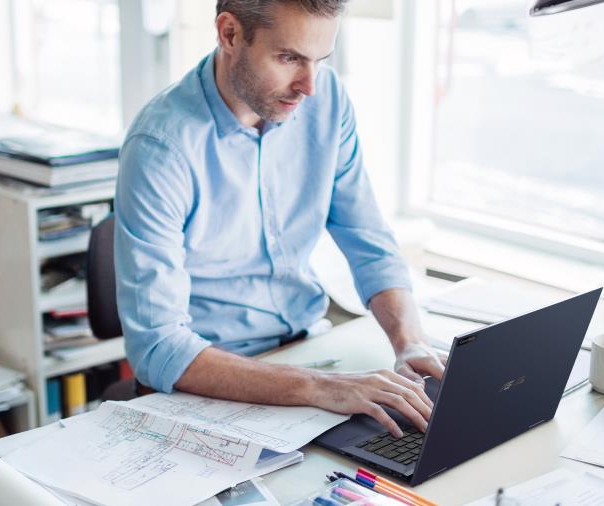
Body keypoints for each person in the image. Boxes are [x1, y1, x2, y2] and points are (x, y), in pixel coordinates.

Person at [115, 0, 446, 438]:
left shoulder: (326, 101)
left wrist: (409, 343)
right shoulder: (161, 146)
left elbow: (369, 242)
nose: (308, 86)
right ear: (230, 34)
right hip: (206, 384)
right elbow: (158, 349)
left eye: (319, 60)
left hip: (306, 353)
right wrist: (321, 387)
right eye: (289, 58)